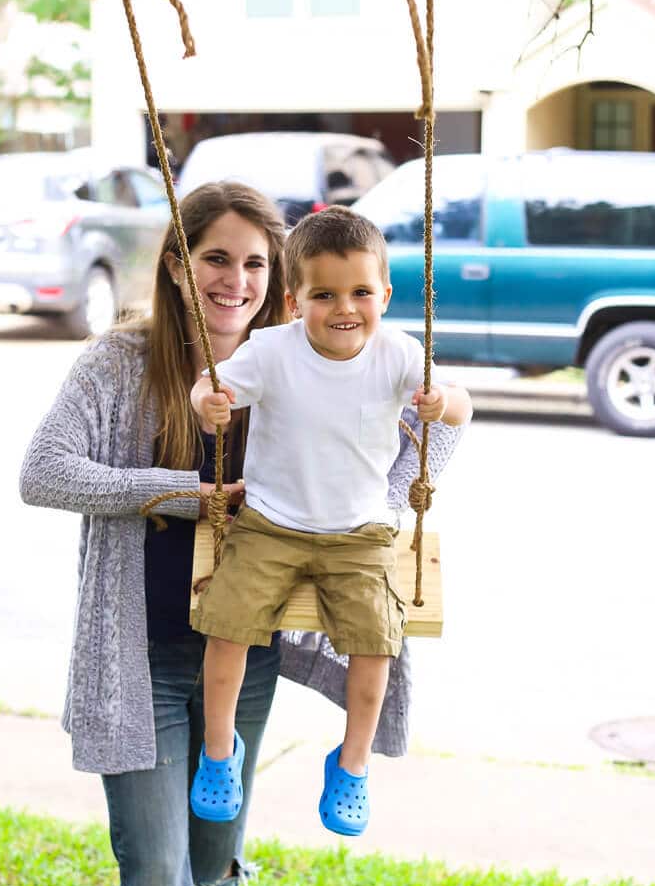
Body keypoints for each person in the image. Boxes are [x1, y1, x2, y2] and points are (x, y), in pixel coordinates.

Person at [19, 184, 466, 886]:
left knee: (214, 865)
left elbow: (412, 453)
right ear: (179, 265)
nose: (237, 281)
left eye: (256, 264)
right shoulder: (124, 364)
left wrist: (390, 479)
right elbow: (42, 472)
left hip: (246, 653)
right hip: (140, 659)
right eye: (216, 259)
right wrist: (174, 489)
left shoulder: (306, 359)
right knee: (153, 881)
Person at [189, 206, 473, 838]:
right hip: (269, 524)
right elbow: (210, 389)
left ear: (385, 295)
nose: (345, 308)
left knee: (377, 643)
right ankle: (218, 751)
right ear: (293, 301)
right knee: (227, 628)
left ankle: (352, 764)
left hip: (361, 532)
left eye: (361, 293)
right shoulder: (270, 352)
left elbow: (462, 408)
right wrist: (209, 403)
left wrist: (441, 402)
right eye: (324, 294)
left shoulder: (400, 354)